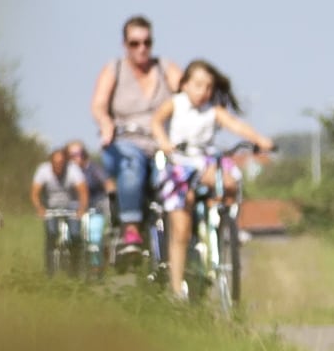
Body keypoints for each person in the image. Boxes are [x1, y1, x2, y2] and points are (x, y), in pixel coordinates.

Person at [157, 58, 266, 284]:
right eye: (198, 85)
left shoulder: (213, 110)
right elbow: (156, 122)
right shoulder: (175, 103)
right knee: (181, 229)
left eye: (208, 87)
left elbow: (236, 125)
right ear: (185, 84)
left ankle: (225, 225)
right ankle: (176, 290)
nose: (204, 91)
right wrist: (164, 142)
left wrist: (260, 140)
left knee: (229, 182)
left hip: (204, 162)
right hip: (180, 163)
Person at [87, 16, 176, 265]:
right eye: (135, 43)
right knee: (132, 164)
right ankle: (131, 229)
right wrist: (106, 125)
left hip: (161, 143)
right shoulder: (114, 69)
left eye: (147, 42)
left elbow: (187, 94)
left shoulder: (165, 68)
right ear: (125, 44)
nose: (142, 48)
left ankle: (182, 239)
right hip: (124, 142)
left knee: (174, 177)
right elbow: (98, 105)